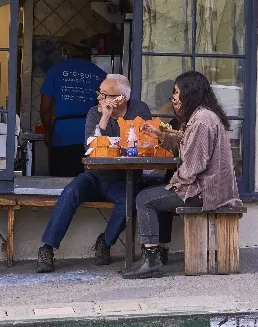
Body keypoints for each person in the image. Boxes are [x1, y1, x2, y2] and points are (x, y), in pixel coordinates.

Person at [122, 71, 244, 279]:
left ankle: (151, 261)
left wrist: (174, 183)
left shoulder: (201, 120)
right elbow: (187, 145)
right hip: (212, 188)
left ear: (189, 92)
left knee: (145, 198)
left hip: (206, 192)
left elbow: (194, 165)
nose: (174, 98)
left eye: (177, 92)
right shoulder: (204, 115)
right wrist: (161, 136)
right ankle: (157, 253)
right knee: (155, 193)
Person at [36, 74, 152, 273]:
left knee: (129, 203)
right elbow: (91, 147)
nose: (98, 97)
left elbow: (144, 145)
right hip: (95, 176)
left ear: (120, 99)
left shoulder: (140, 111)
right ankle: (47, 247)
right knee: (70, 192)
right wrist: (105, 117)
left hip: (123, 180)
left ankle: (105, 242)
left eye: (104, 94)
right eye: (99, 92)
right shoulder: (94, 113)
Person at [40, 30, 107, 178]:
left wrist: (47, 132)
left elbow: (45, 108)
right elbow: (106, 109)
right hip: (91, 137)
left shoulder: (55, 71)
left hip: (62, 136)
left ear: (68, 48)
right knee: (89, 185)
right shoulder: (100, 74)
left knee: (61, 185)